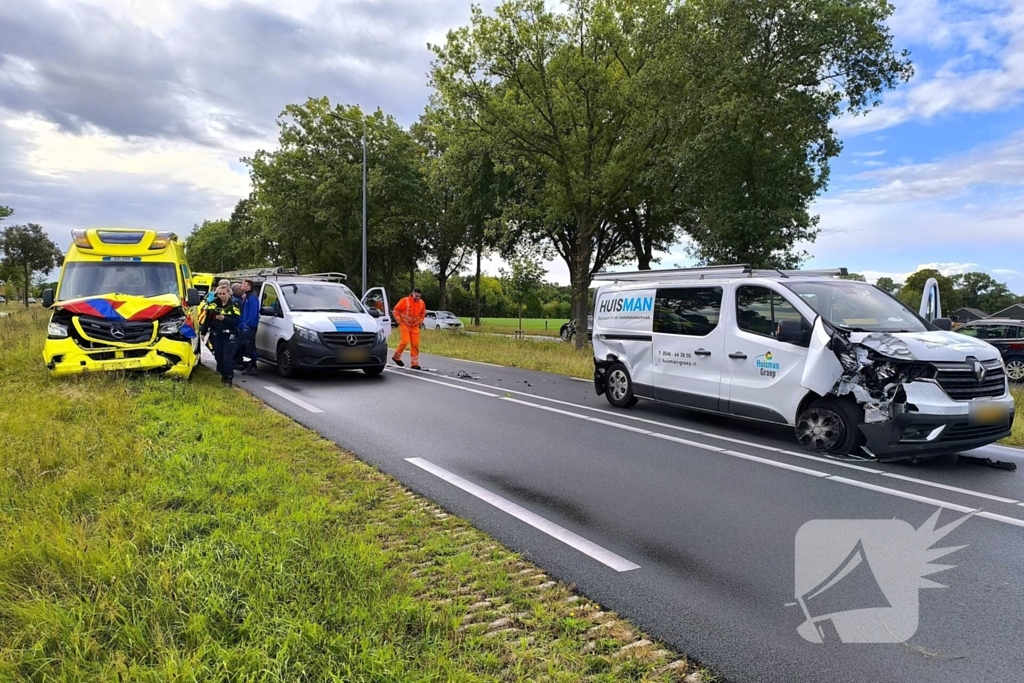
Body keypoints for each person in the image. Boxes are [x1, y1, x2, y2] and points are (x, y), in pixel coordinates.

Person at [201, 285, 241, 386]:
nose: (222, 296)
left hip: (229, 335)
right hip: (216, 334)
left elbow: (237, 322)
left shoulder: (234, 305)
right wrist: (203, 332)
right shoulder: (213, 304)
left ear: (229, 293)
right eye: (219, 294)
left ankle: (229, 379)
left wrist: (224, 319)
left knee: (227, 358)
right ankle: (223, 376)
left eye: (224, 294)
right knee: (218, 357)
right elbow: (207, 318)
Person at [392, 287, 426, 369]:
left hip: (415, 326)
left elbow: (422, 313)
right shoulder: (404, 301)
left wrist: (420, 322)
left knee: (415, 344)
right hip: (404, 324)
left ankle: (414, 364)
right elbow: (396, 311)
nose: (417, 298)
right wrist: (400, 321)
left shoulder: (421, 303)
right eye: (416, 296)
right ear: (412, 293)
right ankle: (396, 357)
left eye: (419, 296)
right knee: (405, 341)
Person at [238, 279, 260, 375]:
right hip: (245, 325)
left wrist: (247, 324)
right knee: (246, 345)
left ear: (249, 286)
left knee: (250, 346)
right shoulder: (246, 296)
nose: (242, 285)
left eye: (244, 284)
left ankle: (253, 366)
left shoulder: (252, 297)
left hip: (249, 326)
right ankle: (250, 364)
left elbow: (254, 312)